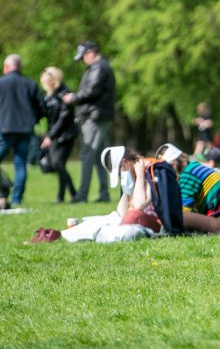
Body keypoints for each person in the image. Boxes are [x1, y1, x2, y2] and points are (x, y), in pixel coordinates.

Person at [64, 41, 115, 203]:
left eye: (83, 56)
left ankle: (82, 195)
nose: (83, 61)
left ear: (91, 52)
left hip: (94, 117)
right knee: (100, 156)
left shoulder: (98, 67)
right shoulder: (102, 66)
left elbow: (91, 90)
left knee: (87, 154)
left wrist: (74, 97)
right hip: (98, 116)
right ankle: (104, 194)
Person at [158, 143, 220, 233]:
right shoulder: (192, 167)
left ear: (172, 165)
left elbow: (185, 210)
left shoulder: (188, 174)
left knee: (177, 216)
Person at [0, 54, 45, 205]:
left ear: (6, 67)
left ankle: (3, 191)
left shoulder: (1, 83)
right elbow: (42, 107)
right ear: (20, 67)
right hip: (26, 130)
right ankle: (16, 199)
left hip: (4, 129)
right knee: (20, 165)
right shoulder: (30, 84)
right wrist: (34, 119)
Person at [39, 67, 79, 203]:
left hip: (66, 135)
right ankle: (61, 196)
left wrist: (50, 136)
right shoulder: (49, 95)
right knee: (59, 164)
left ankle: (73, 192)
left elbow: (63, 119)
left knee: (57, 163)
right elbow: (47, 117)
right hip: (55, 135)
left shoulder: (64, 94)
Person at [101, 146, 163, 232]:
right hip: (143, 220)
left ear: (125, 162)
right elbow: (121, 212)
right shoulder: (132, 176)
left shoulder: (150, 169)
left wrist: (140, 177)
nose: (121, 177)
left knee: (131, 215)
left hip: (157, 221)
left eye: (120, 174)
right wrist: (127, 191)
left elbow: (139, 205)